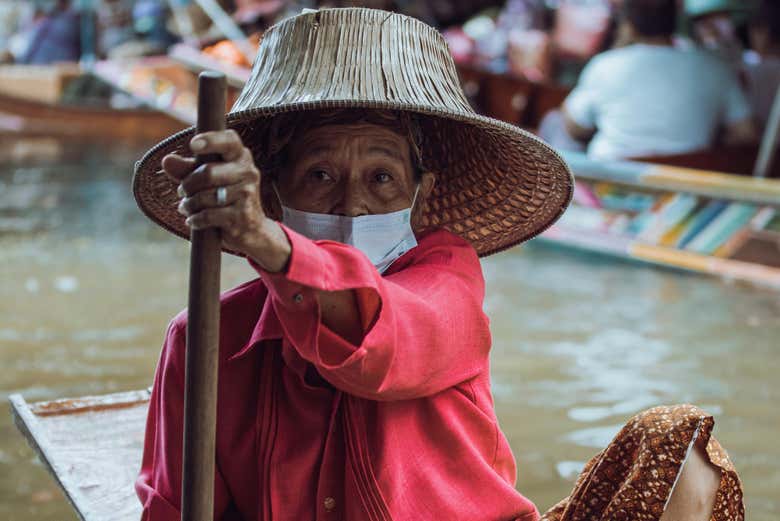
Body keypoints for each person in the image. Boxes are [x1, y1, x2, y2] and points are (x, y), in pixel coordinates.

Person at [133, 7, 743, 521]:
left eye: (382, 178)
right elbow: (174, 506)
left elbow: (381, 349)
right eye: (319, 175)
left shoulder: (446, 283)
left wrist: (271, 245)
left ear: (420, 195)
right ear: (273, 192)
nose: (351, 203)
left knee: (678, 444)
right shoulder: (204, 339)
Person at [561, 0, 756, 160]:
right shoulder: (714, 66)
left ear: (628, 23)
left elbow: (575, 128)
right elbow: (746, 134)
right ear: (676, 19)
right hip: (687, 182)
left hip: (612, 177)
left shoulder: (606, 65)